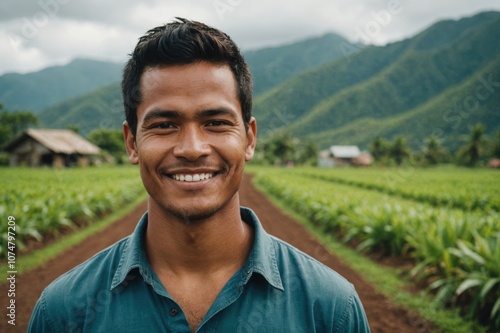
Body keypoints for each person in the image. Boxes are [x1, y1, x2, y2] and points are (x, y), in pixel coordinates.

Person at [28, 18, 370, 332]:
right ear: (132, 143)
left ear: (249, 139)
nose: (192, 148)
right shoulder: (61, 313)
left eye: (216, 123)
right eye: (164, 125)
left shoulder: (331, 310)